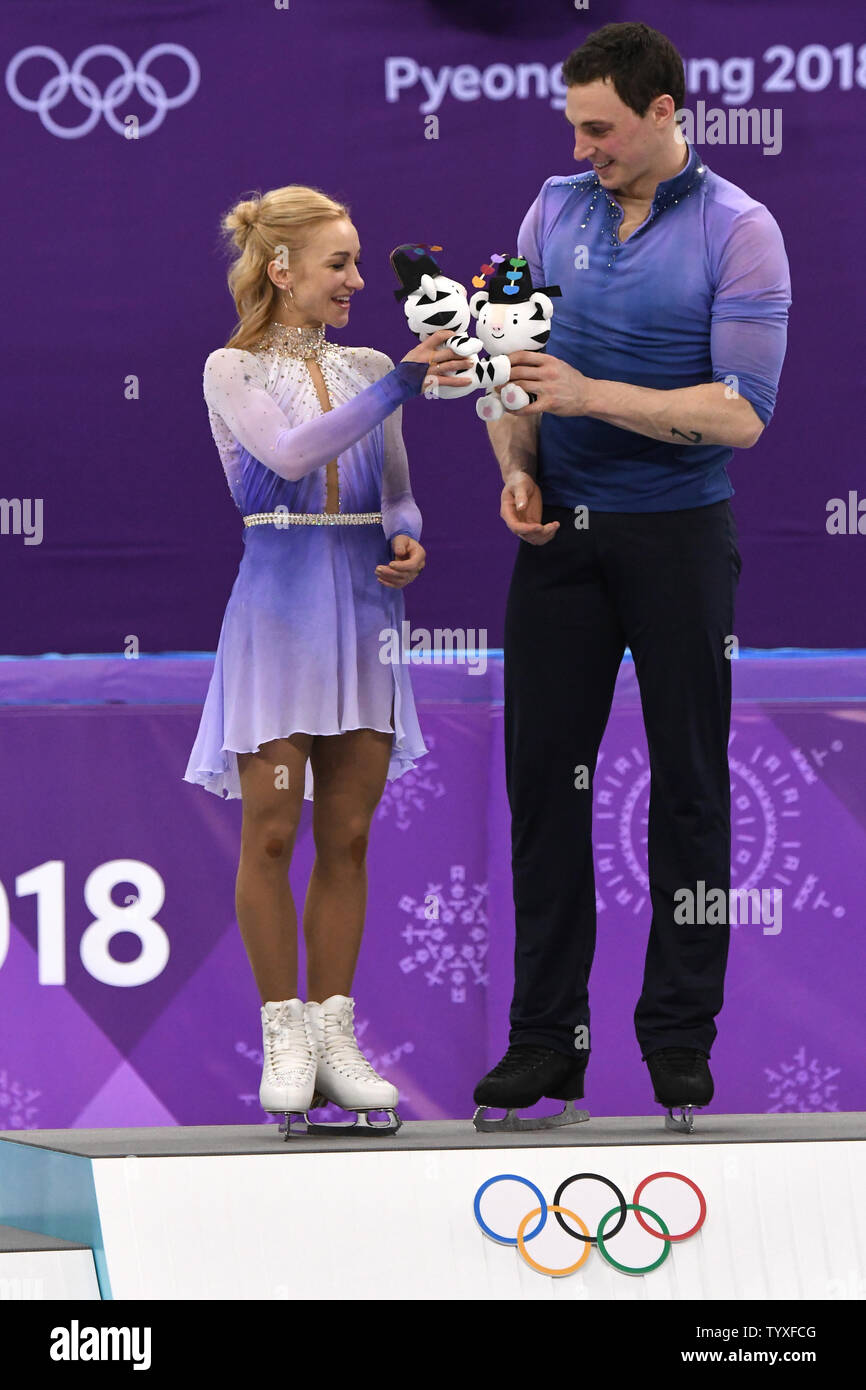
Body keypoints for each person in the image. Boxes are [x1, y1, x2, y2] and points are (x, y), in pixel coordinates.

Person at [472, 22, 791, 1131]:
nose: (582, 145)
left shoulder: (741, 231)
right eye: (573, 126)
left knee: (690, 794)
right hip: (560, 540)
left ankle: (676, 1045)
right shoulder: (546, 210)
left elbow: (739, 415)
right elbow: (510, 380)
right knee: (540, 798)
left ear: (664, 113)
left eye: (599, 126)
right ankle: (542, 1042)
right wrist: (516, 464)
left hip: (676, 541)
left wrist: (588, 395)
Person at [184, 184, 469, 1131]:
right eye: (339, 264)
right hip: (277, 615)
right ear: (282, 269)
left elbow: (396, 490)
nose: (356, 280)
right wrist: (403, 383)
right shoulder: (233, 370)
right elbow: (296, 454)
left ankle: (337, 1036)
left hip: (363, 613)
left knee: (347, 835)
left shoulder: (372, 362)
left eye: (355, 262)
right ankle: (284, 1036)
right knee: (270, 832)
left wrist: (407, 536)